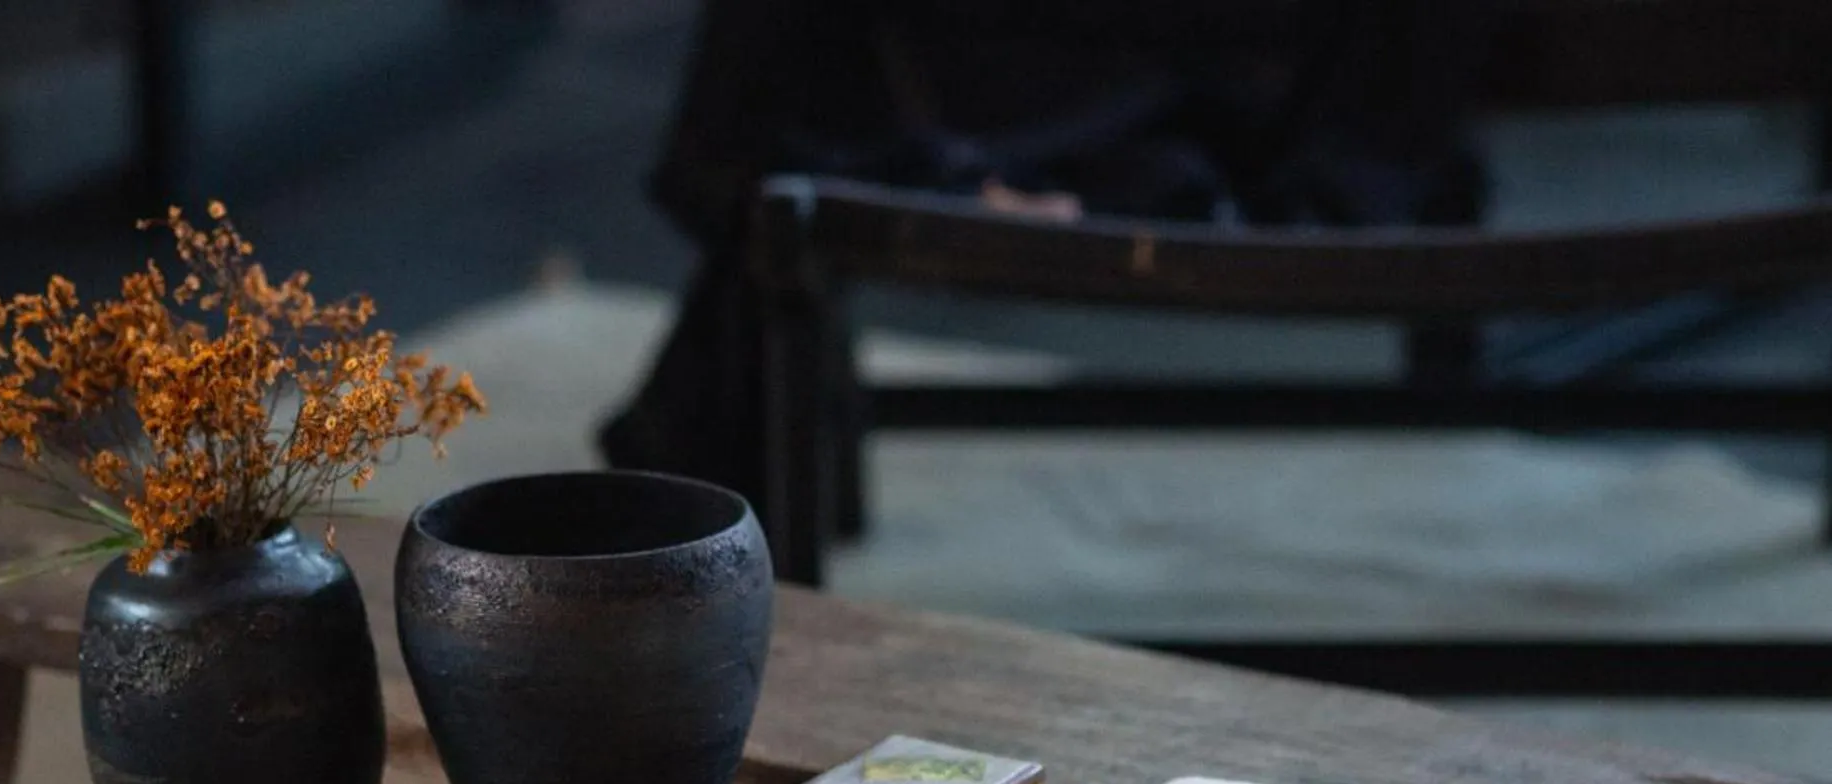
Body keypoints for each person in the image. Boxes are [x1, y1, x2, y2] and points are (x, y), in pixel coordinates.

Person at [600, 0, 1506, 500]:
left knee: (771, 157)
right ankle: (957, 173)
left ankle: (930, 178)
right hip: (1237, 98)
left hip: (1250, 93)